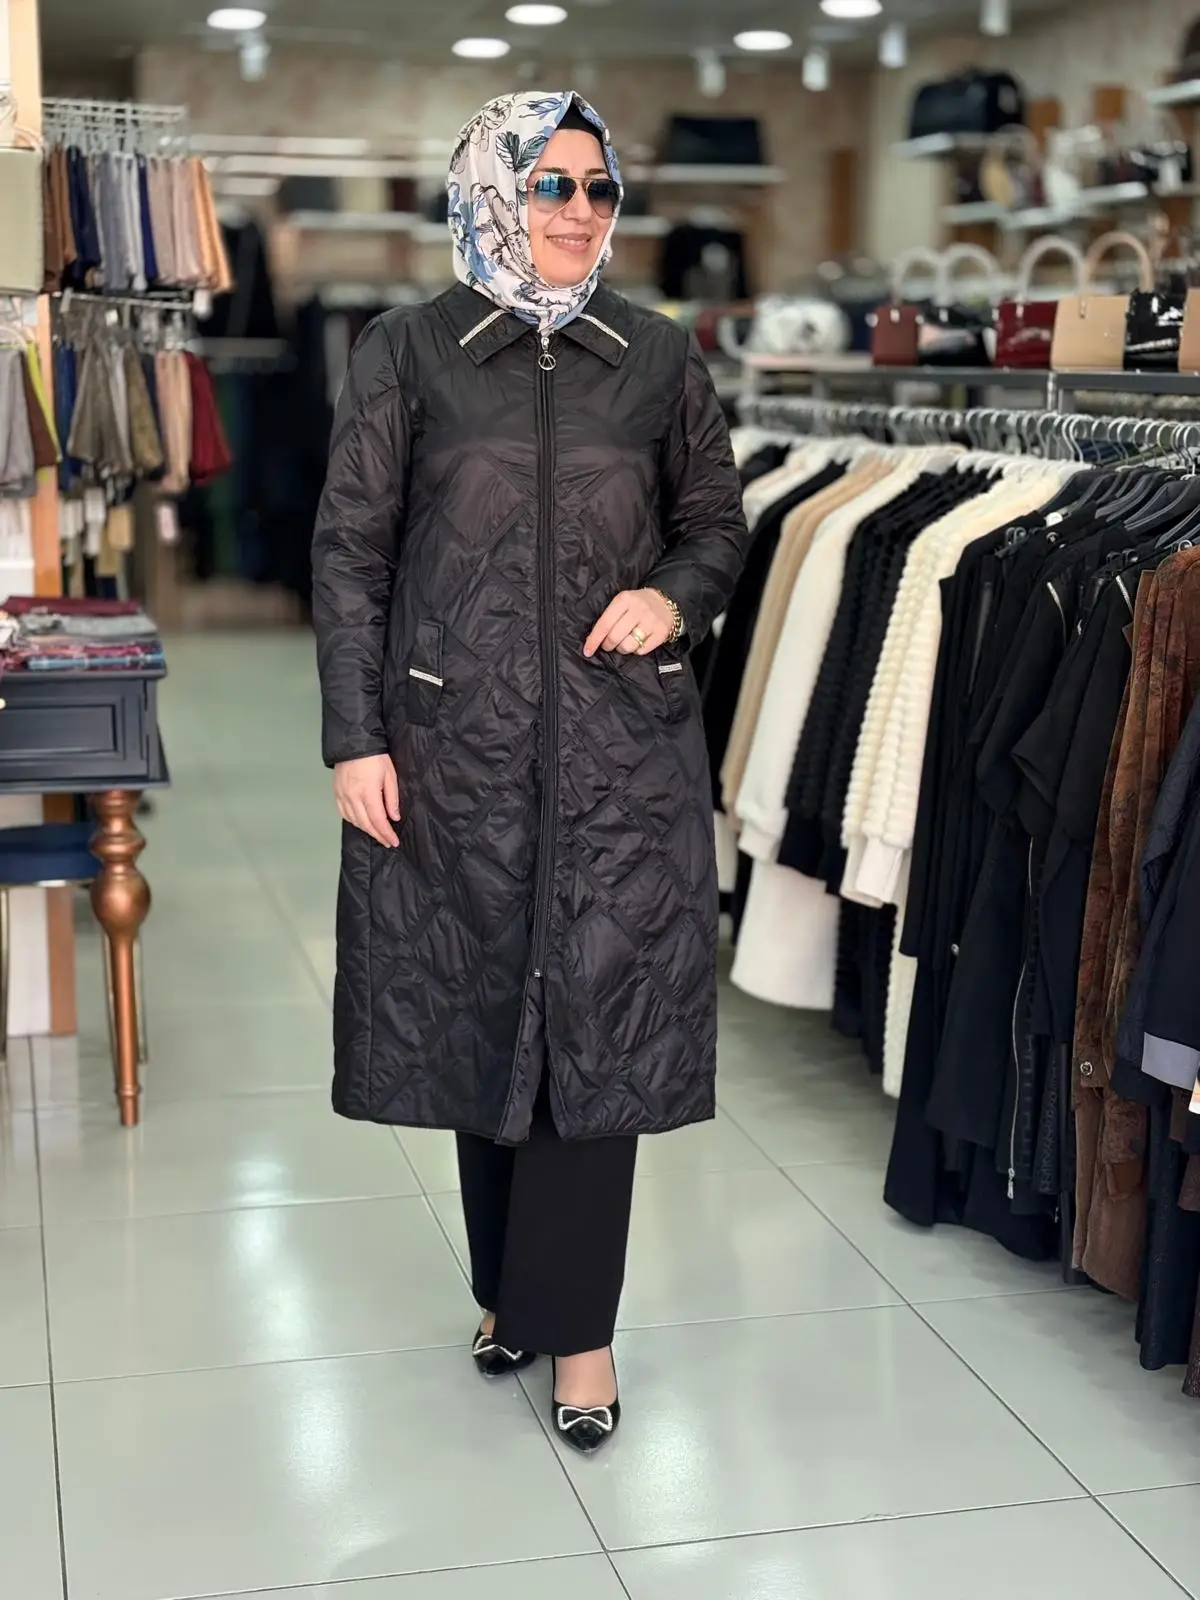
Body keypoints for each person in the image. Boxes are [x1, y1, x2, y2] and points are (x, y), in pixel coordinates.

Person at [311, 89, 750, 1454]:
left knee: (595, 1030)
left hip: (622, 750)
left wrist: (674, 597)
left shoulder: (658, 355)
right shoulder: (408, 352)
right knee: (486, 1014)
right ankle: (510, 1290)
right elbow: (350, 554)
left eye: (599, 188)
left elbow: (716, 522)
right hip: (457, 749)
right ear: (492, 192)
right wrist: (354, 735)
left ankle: (583, 1336)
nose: (578, 211)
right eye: (550, 184)